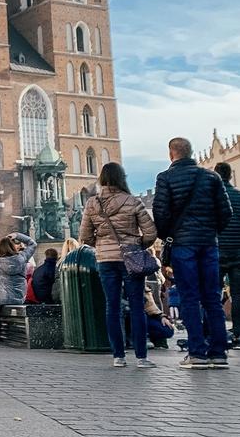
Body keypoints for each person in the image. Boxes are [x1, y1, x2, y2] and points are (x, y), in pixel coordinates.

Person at [153, 137, 233, 369]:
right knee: (212, 298)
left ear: (171, 154)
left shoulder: (165, 178)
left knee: (189, 298)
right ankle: (219, 353)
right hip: (209, 244)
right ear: (190, 153)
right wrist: (211, 231)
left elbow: (160, 213)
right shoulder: (211, 177)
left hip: (183, 245)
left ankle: (197, 352)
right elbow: (225, 212)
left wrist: (171, 234)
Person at [79, 162, 158, 368]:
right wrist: (137, 244)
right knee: (137, 306)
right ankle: (141, 357)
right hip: (130, 258)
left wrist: (102, 245)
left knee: (112, 307)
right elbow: (150, 232)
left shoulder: (92, 203)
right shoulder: (132, 201)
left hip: (105, 260)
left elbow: (84, 236)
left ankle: (118, 356)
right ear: (122, 178)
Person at [214, 163, 240, 346]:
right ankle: (238, 333)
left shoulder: (212, 198)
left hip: (216, 251)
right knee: (238, 295)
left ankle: (216, 334)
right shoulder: (238, 197)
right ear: (230, 176)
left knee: (212, 294)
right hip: (238, 252)